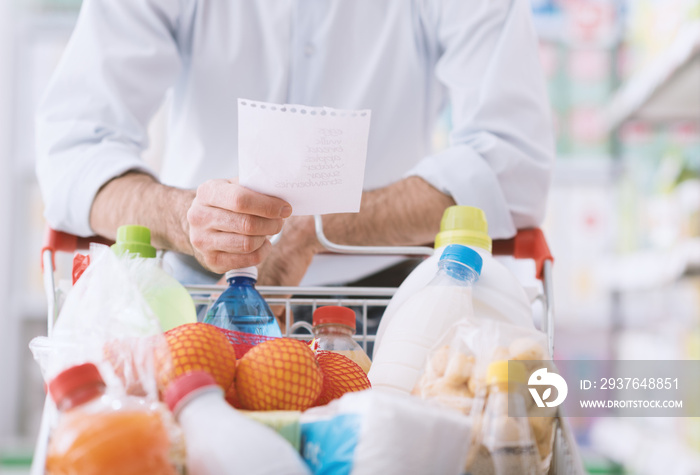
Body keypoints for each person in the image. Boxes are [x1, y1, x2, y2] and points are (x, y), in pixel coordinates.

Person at [36, 0, 554, 290]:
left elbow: (512, 162)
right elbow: (76, 147)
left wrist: (318, 230)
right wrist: (186, 217)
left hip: (387, 298)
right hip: (197, 284)